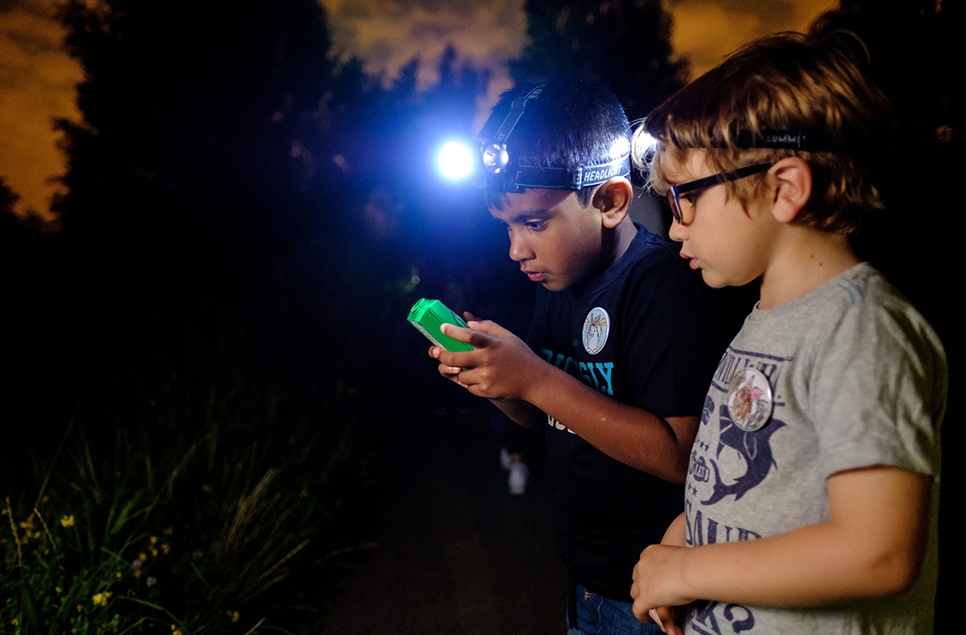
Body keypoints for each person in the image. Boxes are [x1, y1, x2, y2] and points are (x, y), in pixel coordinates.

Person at [627, 31, 947, 635]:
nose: (673, 229)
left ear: (784, 188)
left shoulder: (859, 329)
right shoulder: (769, 318)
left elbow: (878, 552)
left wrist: (692, 572)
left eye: (686, 198)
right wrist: (688, 536)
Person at [430, 79, 721, 634]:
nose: (516, 249)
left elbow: (682, 457)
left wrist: (535, 378)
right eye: (507, 227)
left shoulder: (660, 284)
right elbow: (550, 416)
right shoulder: (558, 280)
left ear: (609, 201)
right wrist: (498, 380)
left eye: (535, 223)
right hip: (584, 576)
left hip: (656, 597)